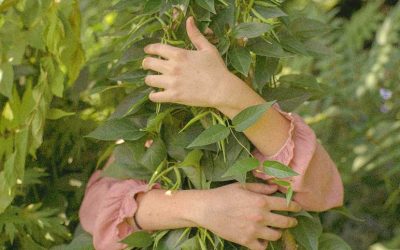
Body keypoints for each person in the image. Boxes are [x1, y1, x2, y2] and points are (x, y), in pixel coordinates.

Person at [79, 17, 344, 250]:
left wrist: (225, 91)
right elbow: (94, 206)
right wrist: (201, 208)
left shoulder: (254, 101)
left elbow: (321, 190)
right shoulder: (158, 114)